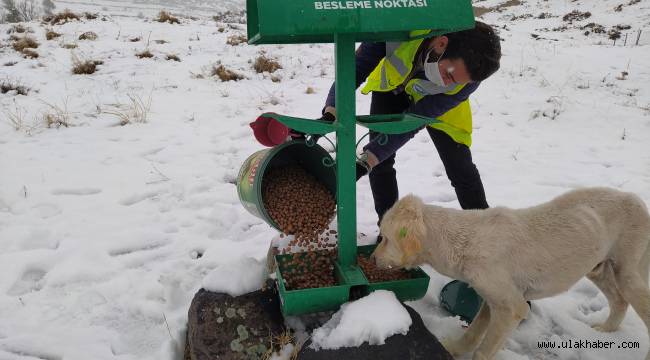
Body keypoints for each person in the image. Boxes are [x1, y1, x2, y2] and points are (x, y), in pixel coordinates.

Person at [320, 21, 502, 228]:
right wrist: (332, 110)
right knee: (381, 165)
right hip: (393, 88)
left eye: (457, 81)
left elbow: (416, 120)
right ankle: (389, 231)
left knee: (460, 169)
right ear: (441, 44)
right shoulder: (397, 25)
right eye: (448, 75)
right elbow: (355, 68)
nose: (449, 83)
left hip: (438, 109)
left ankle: (485, 233)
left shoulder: (464, 84)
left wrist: (367, 159)